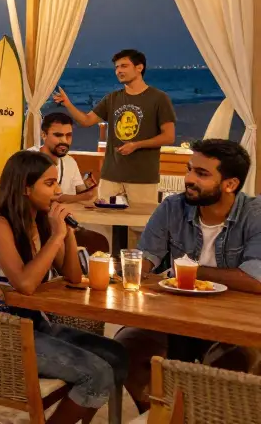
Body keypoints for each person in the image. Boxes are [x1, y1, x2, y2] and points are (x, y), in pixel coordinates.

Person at [0, 150, 129, 424]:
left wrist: (66, 233)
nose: (58, 191)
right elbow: (25, 285)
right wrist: (56, 236)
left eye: (57, 183)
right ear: (25, 187)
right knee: (97, 373)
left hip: (33, 322)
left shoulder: (41, 221)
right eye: (49, 184)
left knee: (116, 356)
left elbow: (74, 277)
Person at [116, 138, 261, 410]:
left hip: (233, 326)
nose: (189, 179)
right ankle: (159, 416)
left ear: (231, 184)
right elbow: (145, 258)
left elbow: (256, 279)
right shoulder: (173, 207)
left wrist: (193, 272)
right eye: (189, 169)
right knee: (125, 348)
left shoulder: (255, 214)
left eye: (202, 174)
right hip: (171, 318)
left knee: (230, 371)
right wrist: (125, 270)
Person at [53, 49, 176, 206]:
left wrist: (136, 145)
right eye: (116, 67)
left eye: (124, 66)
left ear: (139, 68)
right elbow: (86, 121)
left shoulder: (158, 98)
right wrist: (68, 104)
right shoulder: (112, 98)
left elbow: (169, 136)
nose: (118, 71)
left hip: (142, 177)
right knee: (106, 224)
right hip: (110, 175)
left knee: (137, 226)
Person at [34, 113, 97, 205]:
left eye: (68, 135)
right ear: (43, 135)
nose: (64, 140)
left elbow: (81, 190)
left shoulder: (70, 161)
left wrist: (89, 186)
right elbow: (40, 197)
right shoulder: (28, 159)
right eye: (58, 135)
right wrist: (84, 196)